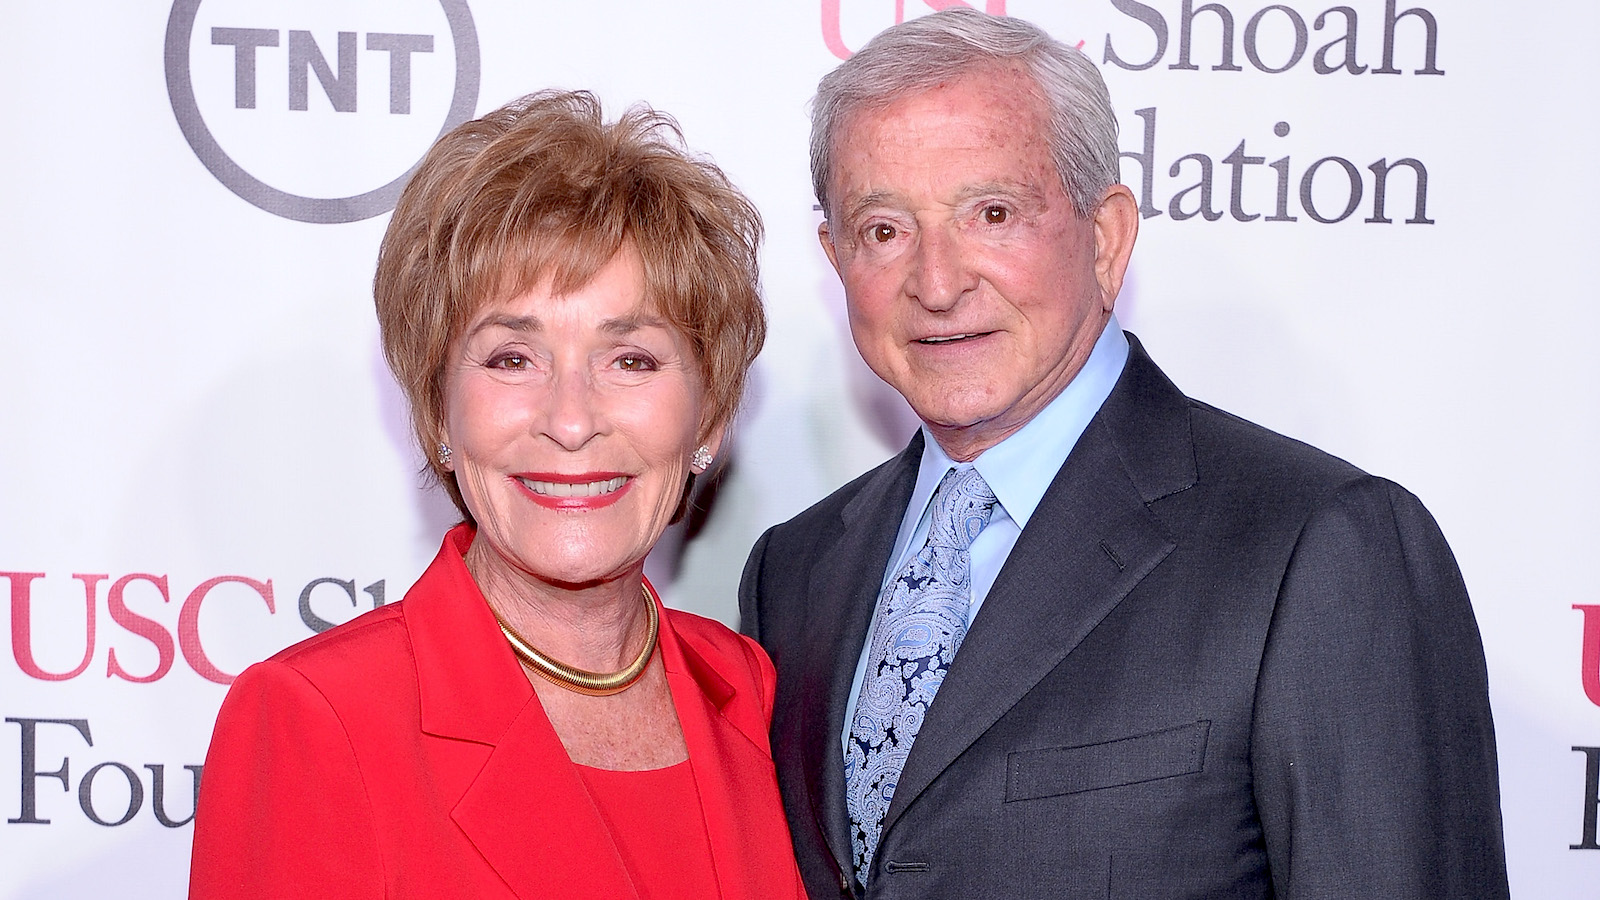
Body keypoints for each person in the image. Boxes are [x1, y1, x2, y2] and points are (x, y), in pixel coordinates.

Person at [739, 9, 1509, 899]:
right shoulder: (792, 573)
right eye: (884, 230)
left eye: (992, 213)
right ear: (834, 256)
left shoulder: (1322, 547)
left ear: (1104, 238)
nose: (938, 282)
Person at [190, 90, 806, 899]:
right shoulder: (319, 719)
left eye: (632, 360)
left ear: (710, 418)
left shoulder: (744, 687)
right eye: (513, 357)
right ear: (436, 409)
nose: (572, 420)